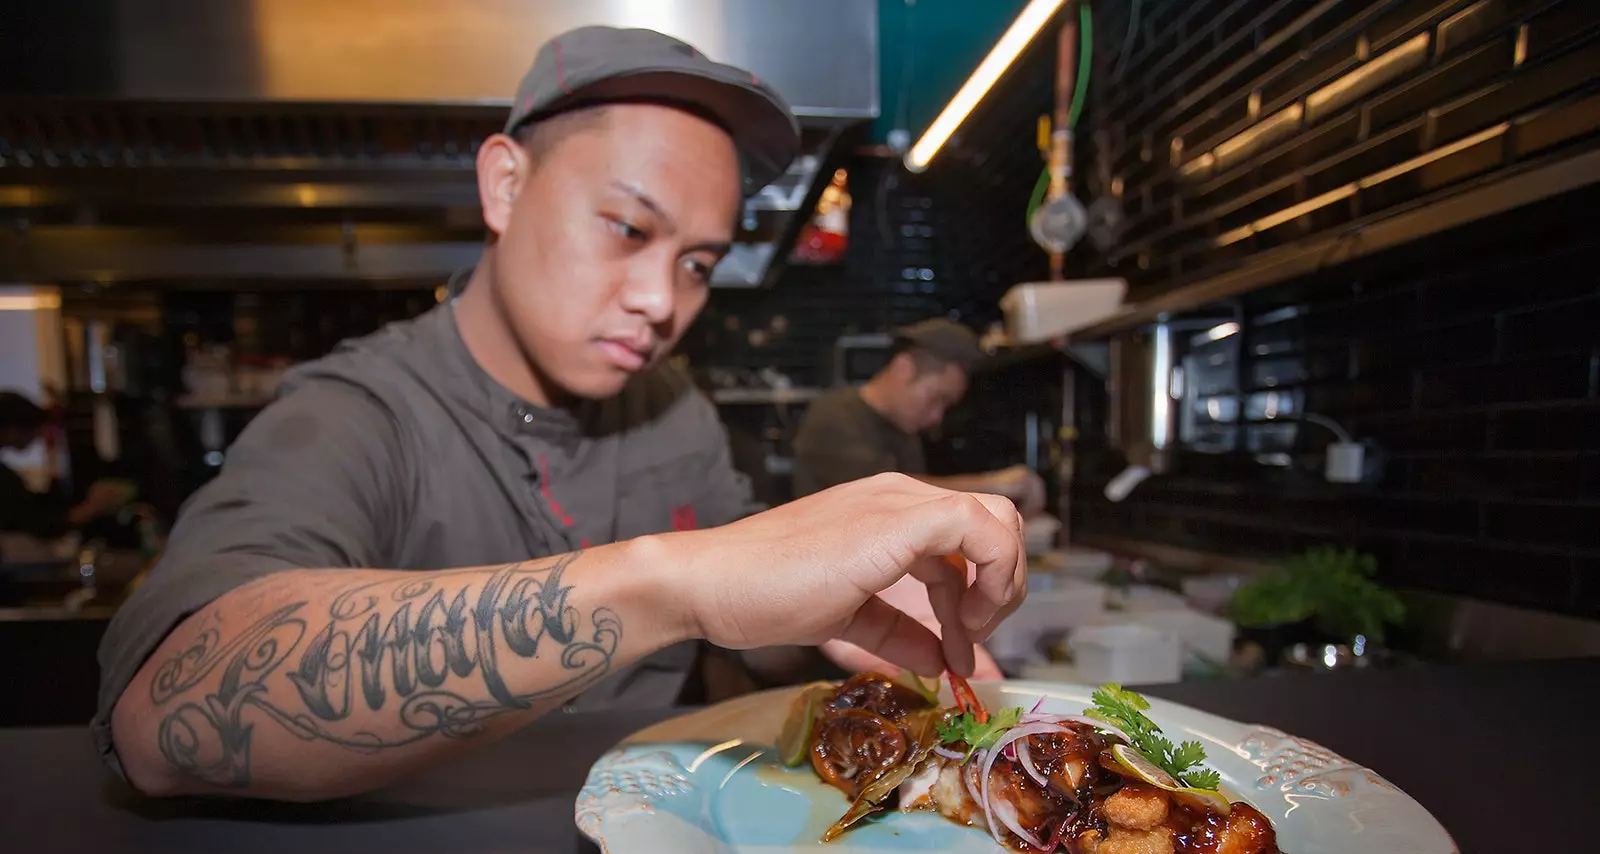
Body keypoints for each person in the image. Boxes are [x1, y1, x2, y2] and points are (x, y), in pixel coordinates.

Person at [93, 26, 1026, 802]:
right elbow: (164, 713)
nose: (663, 301)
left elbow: (752, 636)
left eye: (698, 264)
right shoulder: (357, 413)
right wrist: (672, 583)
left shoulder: (674, 411)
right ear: (504, 184)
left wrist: (842, 613)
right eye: (627, 229)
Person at [790, 319, 1047, 514]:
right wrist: (996, 486)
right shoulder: (835, 415)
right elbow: (883, 493)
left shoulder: (904, 432)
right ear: (904, 368)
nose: (936, 417)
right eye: (937, 398)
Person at [0, 391, 132, 538]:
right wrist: (91, 508)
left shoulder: (7, 478)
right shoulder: (4, 479)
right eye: (35, 431)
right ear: (11, 431)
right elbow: (36, 522)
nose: (38, 438)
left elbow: (30, 506)